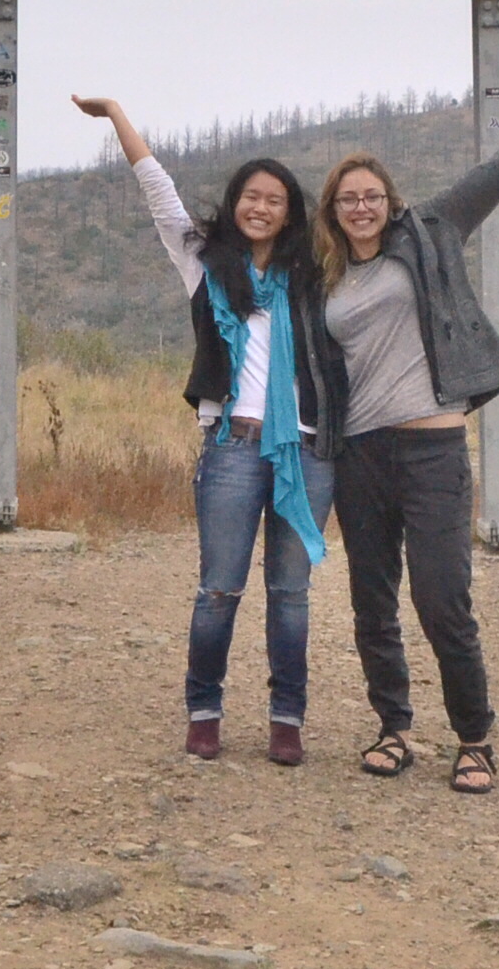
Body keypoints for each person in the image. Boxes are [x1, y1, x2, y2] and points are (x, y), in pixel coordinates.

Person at [317, 78, 499, 794]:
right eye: (347, 199)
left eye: (371, 196)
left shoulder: (434, 229)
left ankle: (474, 738)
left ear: (391, 201)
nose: (361, 207)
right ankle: (393, 728)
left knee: (442, 596)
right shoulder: (323, 274)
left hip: (432, 449)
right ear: (332, 210)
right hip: (360, 453)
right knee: (371, 600)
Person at [71, 95, 345, 766]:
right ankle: (204, 711)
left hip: (306, 451)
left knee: (291, 594)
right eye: (251, 196)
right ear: (235, 201)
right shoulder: (205, 264)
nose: (261, 208)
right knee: (219, 588)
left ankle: (287, 719)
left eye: (274, 200)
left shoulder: (315, 276)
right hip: (232, 448)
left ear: (291, 212)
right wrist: (116, 117)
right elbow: (159, 194)